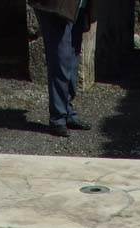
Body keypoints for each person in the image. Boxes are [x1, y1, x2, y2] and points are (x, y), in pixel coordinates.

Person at [29, 0, 95, 137]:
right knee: (60, 59)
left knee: (72, 57)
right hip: (57, 6)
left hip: (77, 6)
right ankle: (58, 118)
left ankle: (67, 111)